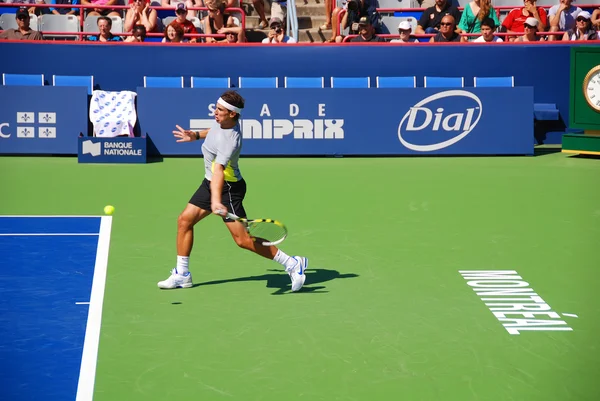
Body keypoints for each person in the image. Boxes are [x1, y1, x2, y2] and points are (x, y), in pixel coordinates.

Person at [157, 91, 307, 292]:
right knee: (184, 220)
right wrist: (195, 135)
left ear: (232, 114)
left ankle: (292, 263)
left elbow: (219, 170)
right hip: (211, 183)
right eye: (216, 108)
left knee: (243, 240)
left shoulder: (231, 140)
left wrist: (216, 200)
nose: (215, 113)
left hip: (228, 189)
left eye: (219, 110)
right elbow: (213, 131)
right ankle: (182, 274)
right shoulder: (222, 124)